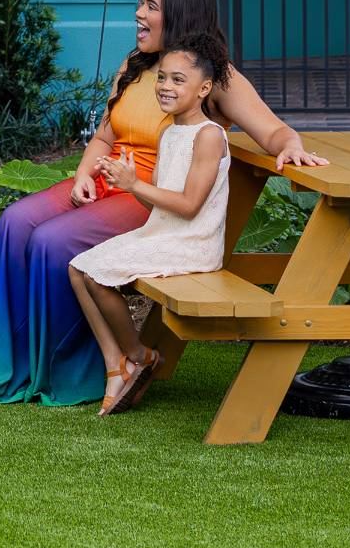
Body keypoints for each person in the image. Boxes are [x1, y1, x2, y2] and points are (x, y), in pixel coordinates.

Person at [0, 0, 324, 405]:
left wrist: (290, 146)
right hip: (105, 179)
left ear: (180, 15)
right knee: (15, 221)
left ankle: (50, 374)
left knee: (53, 241)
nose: (138, 14)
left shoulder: (215, 76)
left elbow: (273, 131)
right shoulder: (136, 65)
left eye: (151, 6)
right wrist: (86, 173)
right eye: (142, 3)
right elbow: (106, 135)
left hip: (149, 197)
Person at [69, 37, 232, 415]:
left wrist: (135, 184)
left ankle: (140, 354)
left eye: (178, 80)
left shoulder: (208, 136)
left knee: (96, 275)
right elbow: (156, 200)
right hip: (163, 231)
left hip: (193, 242)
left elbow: (190, 207)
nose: (165, 87)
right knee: (78, 267)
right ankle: (117, 364)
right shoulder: (169, 131)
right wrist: (126, 179)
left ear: (203, 89)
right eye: (162, 78)